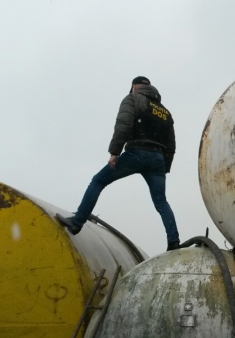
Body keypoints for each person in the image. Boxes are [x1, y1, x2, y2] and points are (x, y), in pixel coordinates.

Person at [56, 76, 181, 251]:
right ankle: (174, 241)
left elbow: (123, 125)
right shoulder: (165, 112)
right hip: (157, 159)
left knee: (98, 181)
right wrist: (165, 166)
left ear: (134, 87)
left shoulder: (132, 99)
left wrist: (115, 152)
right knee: (161, 202)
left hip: (136, 153)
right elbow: (171, 144)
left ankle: (77, 222)